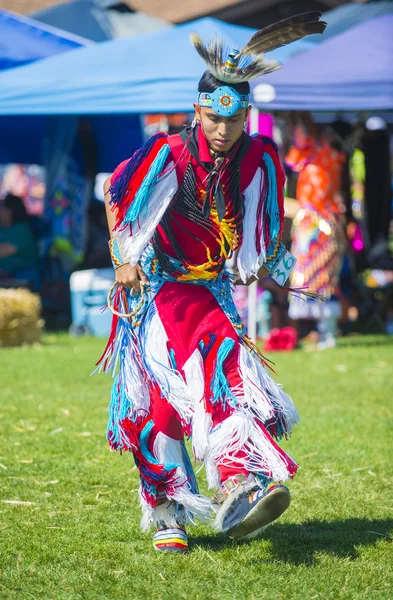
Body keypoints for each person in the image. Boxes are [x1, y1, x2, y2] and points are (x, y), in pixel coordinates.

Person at [99, 13, 326, 553]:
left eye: (234, 118)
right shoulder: (168, 153)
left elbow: (264, 227)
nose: (222, 131)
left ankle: (232, 489)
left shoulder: (260, 157)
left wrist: (277, 270)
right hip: (159, 290)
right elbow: (117, 193)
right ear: (198, 111)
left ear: (247, 116)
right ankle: (177, 508)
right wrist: (123, 256)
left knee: (198, 390)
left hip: (212, 289)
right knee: (189, 386)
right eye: (213, 117)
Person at [286, 115, 346, 348]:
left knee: (325, 279)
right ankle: (321, 332)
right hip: (311, 225)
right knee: (310, 278)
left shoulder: (326, 155)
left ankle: (327, 333)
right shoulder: (317, 154)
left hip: (321, 226)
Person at [0, 193, 39, 288]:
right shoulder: (4, 228)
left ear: (9, 210)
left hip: (19, 281)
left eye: (1, 207)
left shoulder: (21, 230)